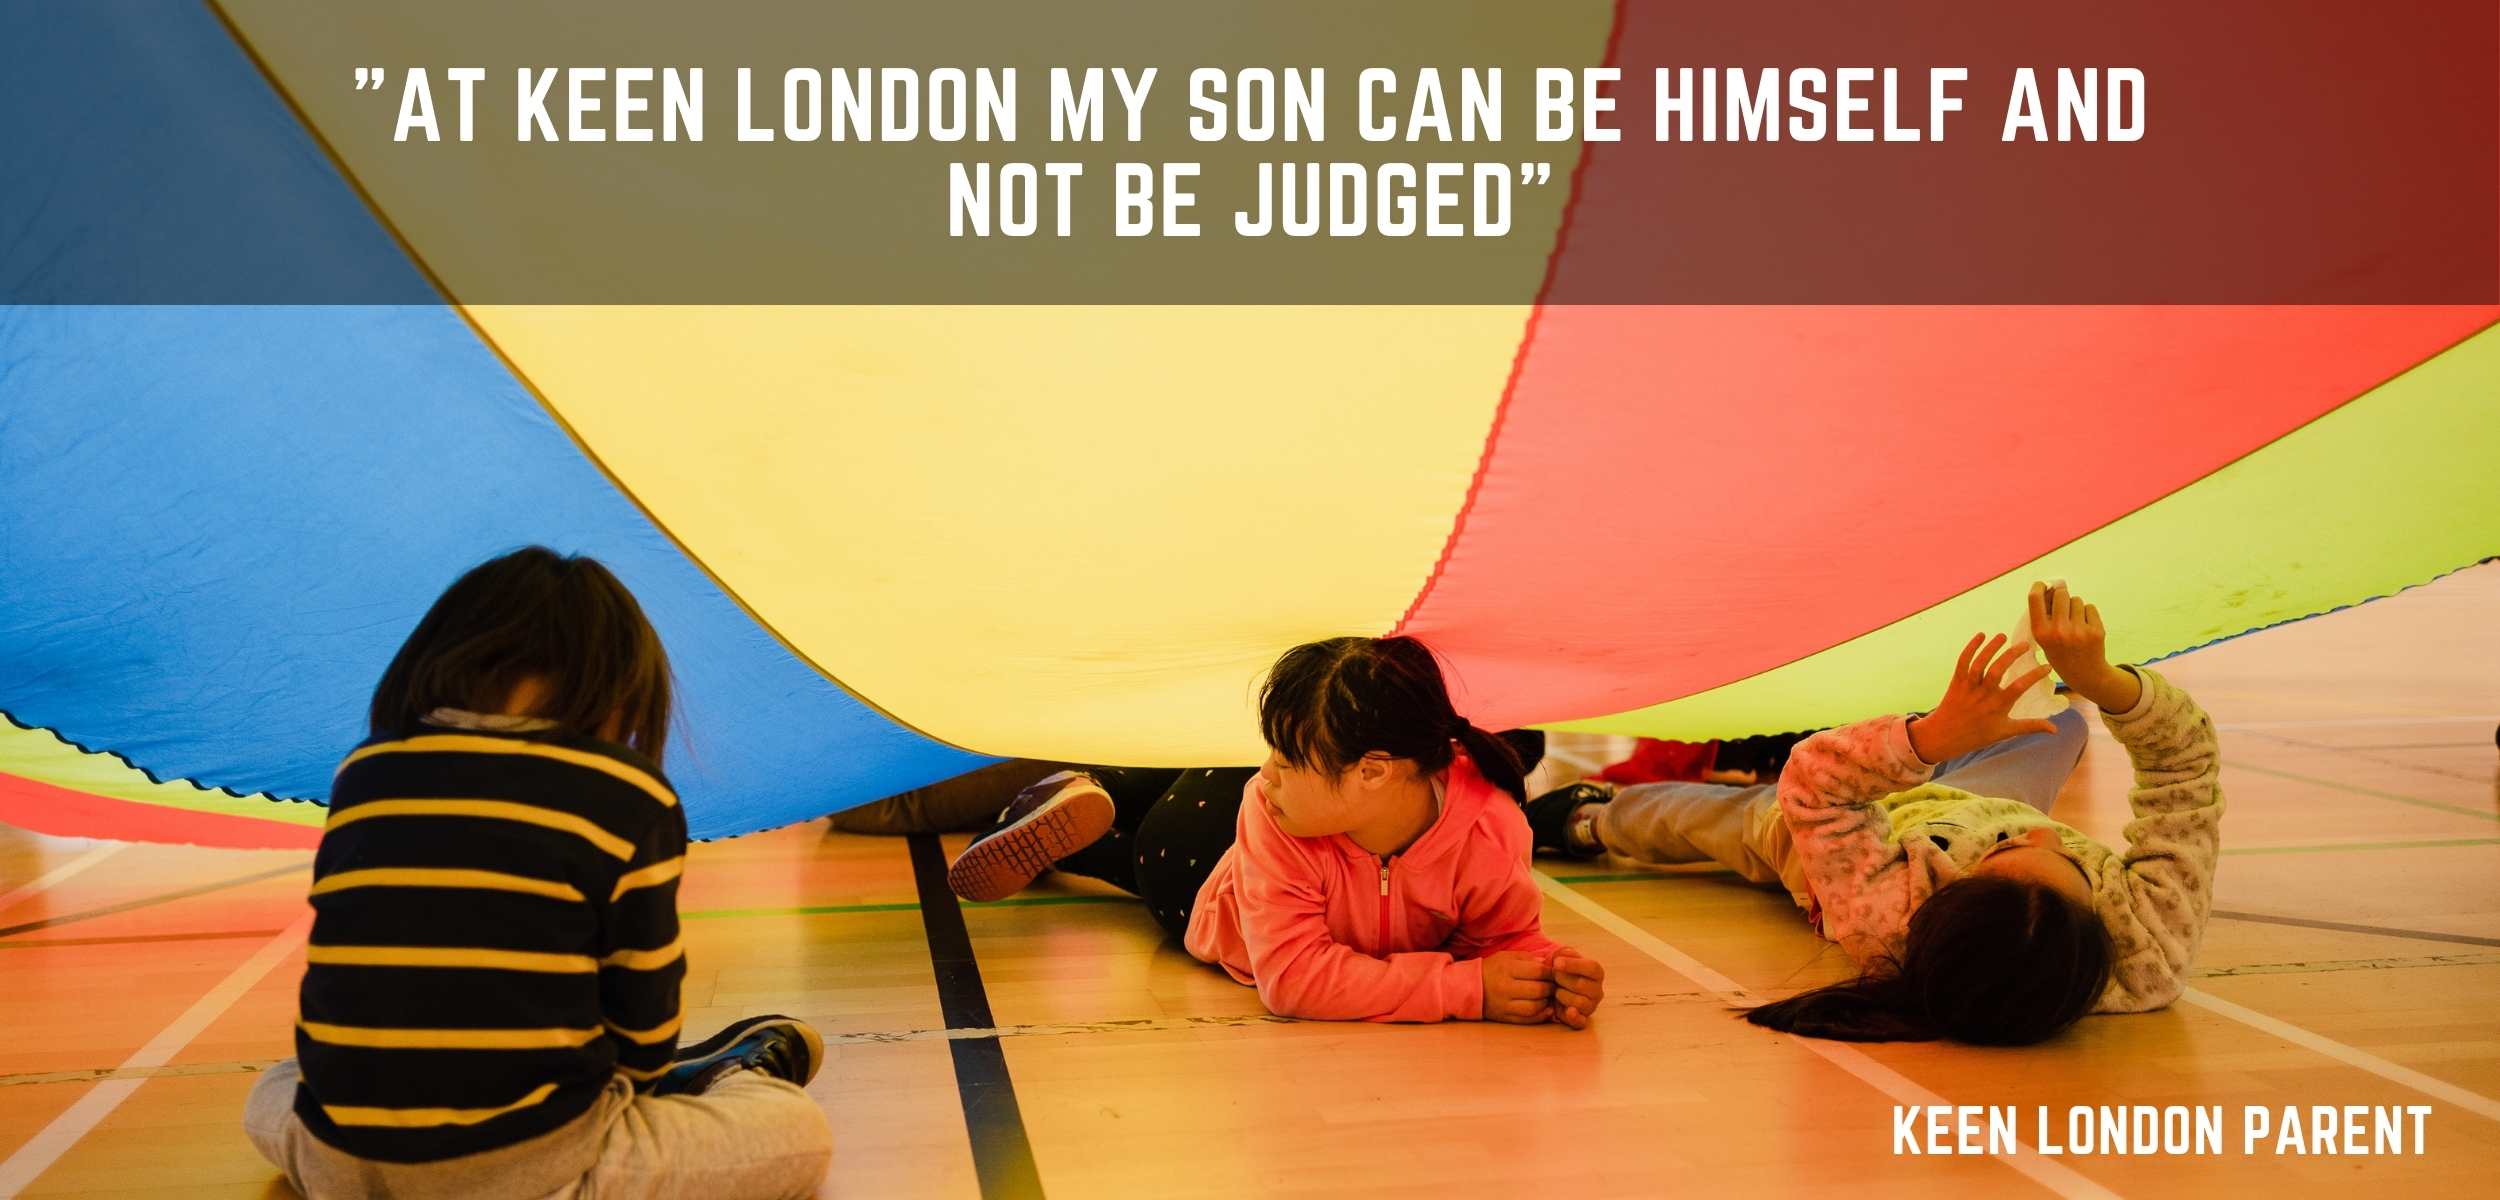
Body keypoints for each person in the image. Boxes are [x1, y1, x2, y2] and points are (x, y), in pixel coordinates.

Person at [243, 547, 832, 1200]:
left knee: (272, 1088)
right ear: (615, 687)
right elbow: (644, 1020)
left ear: (433, 662)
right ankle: (721, 1079)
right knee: (798, 1133)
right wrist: (633, 1083)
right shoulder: (626, 789)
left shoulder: (366, 771)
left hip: (340, 1166)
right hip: (528, 1173)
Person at [1526, 583, 2222, 1044]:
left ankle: (1587, 821)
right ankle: (1976, 746)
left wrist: (1935, 737)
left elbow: (1814, 788)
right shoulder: (2147, 949)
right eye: (2069, 855)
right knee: (2061, 720)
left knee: (1720, 818)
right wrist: (2106, 683)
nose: (2038, 829)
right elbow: (2186, 767)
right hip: (1967, 803)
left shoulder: (1887, 907)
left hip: (1864, 836)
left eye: (2009, 852)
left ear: (1943, 899)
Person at [946, 636, 1605, 1027]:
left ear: (1376, 772)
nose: (1268, 773)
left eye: (1286, 760)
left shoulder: (1488, 827)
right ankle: (1086, 807)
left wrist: (1551, 975)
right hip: (1198, 885)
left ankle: (1080, 788)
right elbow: (1292, 980)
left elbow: (1504, 939)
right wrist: (1466, 990)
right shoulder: (1271, 804)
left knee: (1173, 792)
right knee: (1150, 850)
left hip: (1240, 830)